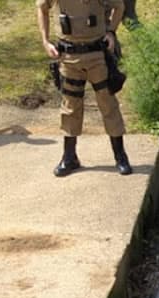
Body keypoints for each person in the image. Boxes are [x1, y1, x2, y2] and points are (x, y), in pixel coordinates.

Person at [37, 0, 133, 177]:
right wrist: (45, 41)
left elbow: (119, 6)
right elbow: (41, 8)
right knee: (70, 106)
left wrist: (111, 32)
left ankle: (120, 155)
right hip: (68, 57)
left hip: (97, 55)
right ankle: (69, 157)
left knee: (108, 104)